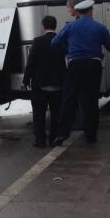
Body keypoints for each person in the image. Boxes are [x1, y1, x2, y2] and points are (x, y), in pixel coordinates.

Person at [51, 0, 110, 145]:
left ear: (78, 12)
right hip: (94, 64)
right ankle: (91, 134)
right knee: (91, 100)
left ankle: (62, 134)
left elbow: (55, 42)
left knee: (69, 98)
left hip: (75, 64)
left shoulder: (70, 26)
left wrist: (68, 52)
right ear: (91, 10)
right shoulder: (100, 27)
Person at [22, 16, 66, 147]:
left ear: (43, 26)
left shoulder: (38, 41)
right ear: (55, 26)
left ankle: (40, 140)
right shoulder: (61, 40)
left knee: (39, 114)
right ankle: (54, 138)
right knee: (56, 113)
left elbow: (31, 63)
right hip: (58, 84)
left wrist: (25, 80)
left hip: (40, 84)